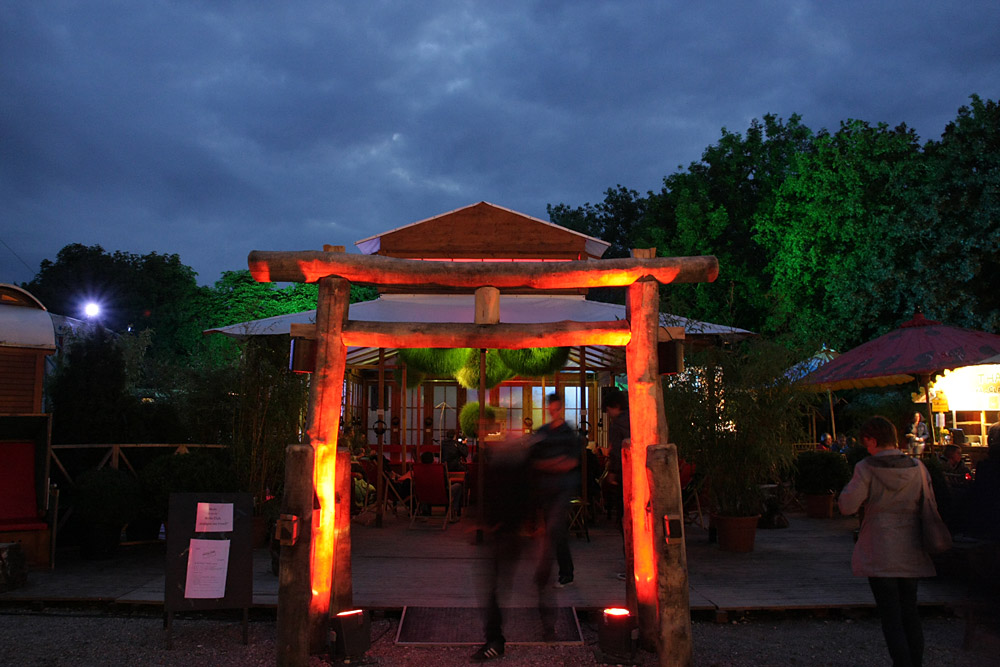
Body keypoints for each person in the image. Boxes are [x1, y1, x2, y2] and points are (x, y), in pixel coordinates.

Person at [838, 416, 937, 667]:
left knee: (891, 615)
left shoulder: (866, 468)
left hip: (880, 547)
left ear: (872, 440)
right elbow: (930, 503)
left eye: (866, 442)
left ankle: (902, 663)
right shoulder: (917, 467)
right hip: (912, 545)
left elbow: (847, 506)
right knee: (910, 612)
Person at [471, 436, 533, 662]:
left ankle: (495, 640)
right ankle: (497, 638)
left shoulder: (502, 470)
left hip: (504, 534)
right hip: (507, 533)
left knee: (493, 590)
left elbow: (503, 500)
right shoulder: (520, 470)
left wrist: (493, 524)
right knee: (495, 588)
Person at [529, 393, 581, 592]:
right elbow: (533, 459)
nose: (553, 411)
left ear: (561, 408)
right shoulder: (543, 433)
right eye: (551, 408)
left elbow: (571, 462)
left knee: (555, 529)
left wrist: (549, 464)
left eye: (556, 408)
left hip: (563, 487)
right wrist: (555, 463)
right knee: (552, 530)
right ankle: (558, 572)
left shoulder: (568, 433)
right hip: (547, 488)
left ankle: (564, 573)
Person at [602, 388, 629, 529]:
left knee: (623, 511)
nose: (608, 414)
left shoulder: (617, 426)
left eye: (608, 410)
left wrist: (612, 472)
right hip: (639, 471)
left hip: (623, 473)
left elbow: (617, 452)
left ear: (615, 406)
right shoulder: (635, 419)